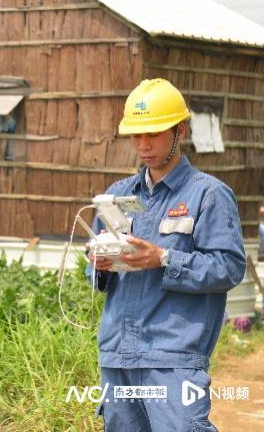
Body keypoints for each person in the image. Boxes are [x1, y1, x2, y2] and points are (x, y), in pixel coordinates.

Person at [85, 78, 246, 432]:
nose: (143, 145)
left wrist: (164, 259)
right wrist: (99, 262)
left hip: (174, 357)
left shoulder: (209, 195)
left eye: (153, 134)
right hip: (117, 353)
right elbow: (98, 277)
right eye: (135, 136)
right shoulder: (116, 195)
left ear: (179, 131)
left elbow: (230, 268)